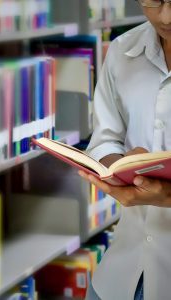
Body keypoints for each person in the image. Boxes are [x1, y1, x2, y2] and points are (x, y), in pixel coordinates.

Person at [78, 0, 171, 299]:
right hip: (120, 276)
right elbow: (105, 138)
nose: (165, 16)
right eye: (153, 2)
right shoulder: (121, 51)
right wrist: (120, 167)